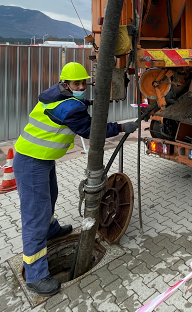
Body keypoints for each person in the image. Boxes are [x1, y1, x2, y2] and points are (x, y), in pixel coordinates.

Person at [13, 62, 137, 296]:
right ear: (65, 83)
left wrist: (92, 102)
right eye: (76, 83)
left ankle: (51, 230)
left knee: (51, 196)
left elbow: (74, 105)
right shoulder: (69, 108)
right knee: (35, 216)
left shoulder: (56, 95)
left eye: (83, 83)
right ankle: (36, 275)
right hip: (31, 163)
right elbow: (92, 131)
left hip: (40, 159)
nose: (81, 86)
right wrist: (122, 126)